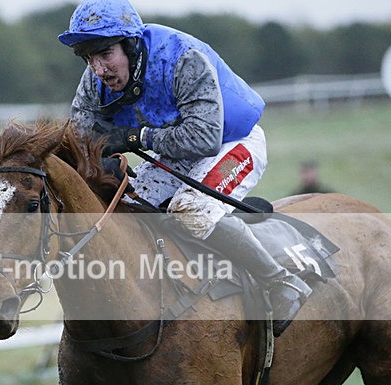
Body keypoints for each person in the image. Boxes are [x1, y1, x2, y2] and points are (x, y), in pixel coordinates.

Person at [58, 0, 311, 336]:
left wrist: (136, 137)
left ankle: (282, 282)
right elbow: (79, 136)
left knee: (190, 208)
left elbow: (204, 138)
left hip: (232, 142)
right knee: (127, 206)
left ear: (130, 46)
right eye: (89, 59)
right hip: (175, 152)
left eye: (106, 54)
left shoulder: (182, 58)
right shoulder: (94, 81)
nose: (99, 69)